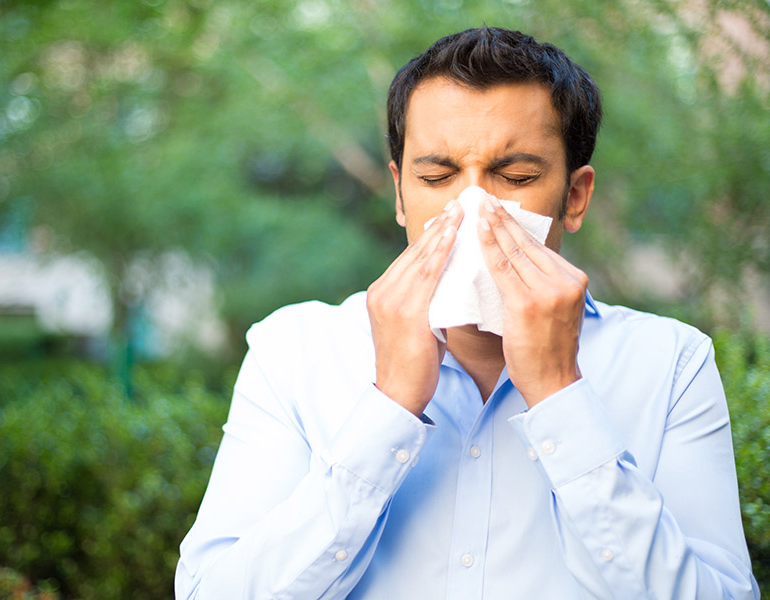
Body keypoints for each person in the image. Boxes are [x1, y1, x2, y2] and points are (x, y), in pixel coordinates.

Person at [175, 27, 759, 599]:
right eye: (437, 177)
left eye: (517, 177)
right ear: (401, 195)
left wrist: (561, 396)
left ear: (574, 198)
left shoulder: (672, 364)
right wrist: (389, 406)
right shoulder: (294, 353)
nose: (473, 207)